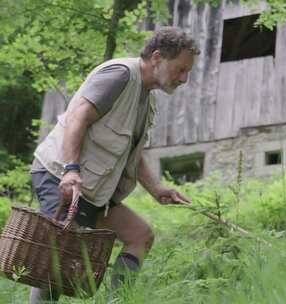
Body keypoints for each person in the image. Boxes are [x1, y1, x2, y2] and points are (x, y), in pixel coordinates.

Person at [28, 27, 199, 303]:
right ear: (157, 57)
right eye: (180, 69)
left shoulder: (147, 98)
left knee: (140, 236)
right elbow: (77, 119)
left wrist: (156, 189)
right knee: (58, 258)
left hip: (95, 191)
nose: (184, 78)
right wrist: (71, 170)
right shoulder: (120, 75)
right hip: (58, 174)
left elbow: (131, 153)